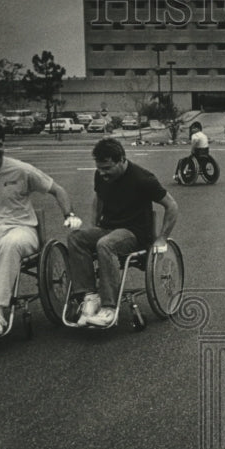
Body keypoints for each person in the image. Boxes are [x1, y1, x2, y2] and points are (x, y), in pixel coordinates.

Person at [0, 119, 80, 336]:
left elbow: (57, 190)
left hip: (23, 228)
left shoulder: (22, 170)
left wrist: (69, 215)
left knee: (9, 246)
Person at [68, 137, 179, 327]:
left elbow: (172, 206)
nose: (102, 173)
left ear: (121, 160)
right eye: (100, 168)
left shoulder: (143, 179)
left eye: (107, 168)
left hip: (134, 233)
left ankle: (109, 308)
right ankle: (90, 296)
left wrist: (162, 238)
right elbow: (98, 200)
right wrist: (94, 225)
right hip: (107, 229)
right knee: (76, 238)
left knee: (106, 244)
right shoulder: (101, 175)